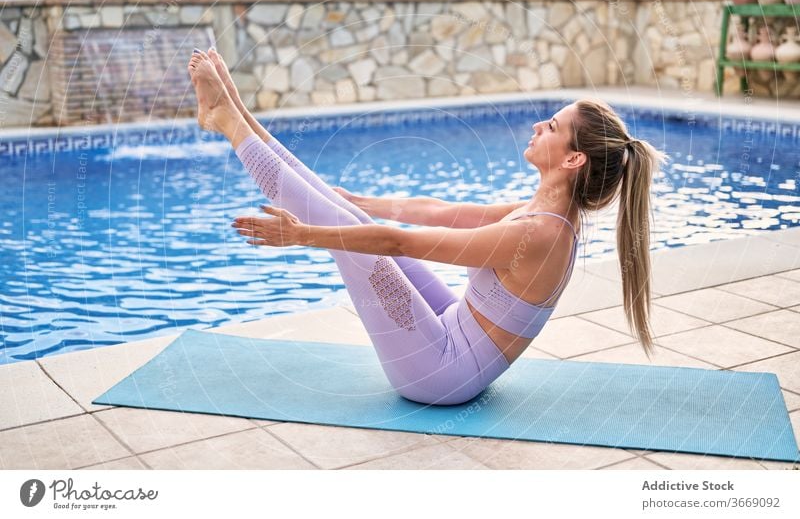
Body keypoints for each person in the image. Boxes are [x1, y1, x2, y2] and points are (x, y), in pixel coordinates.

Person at [187, 47, 669, 406]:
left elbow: (401, 241)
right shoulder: (545, 213)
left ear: (573, 158)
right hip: (451, 338)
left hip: (440, 374)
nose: (540, 125)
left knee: (354, 236)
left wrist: (304, 236)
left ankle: (229, 124)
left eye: (553, 126)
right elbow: (440, 211)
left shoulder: (538, 234)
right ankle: (235, 110)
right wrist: (358, 201)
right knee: (345, 213)